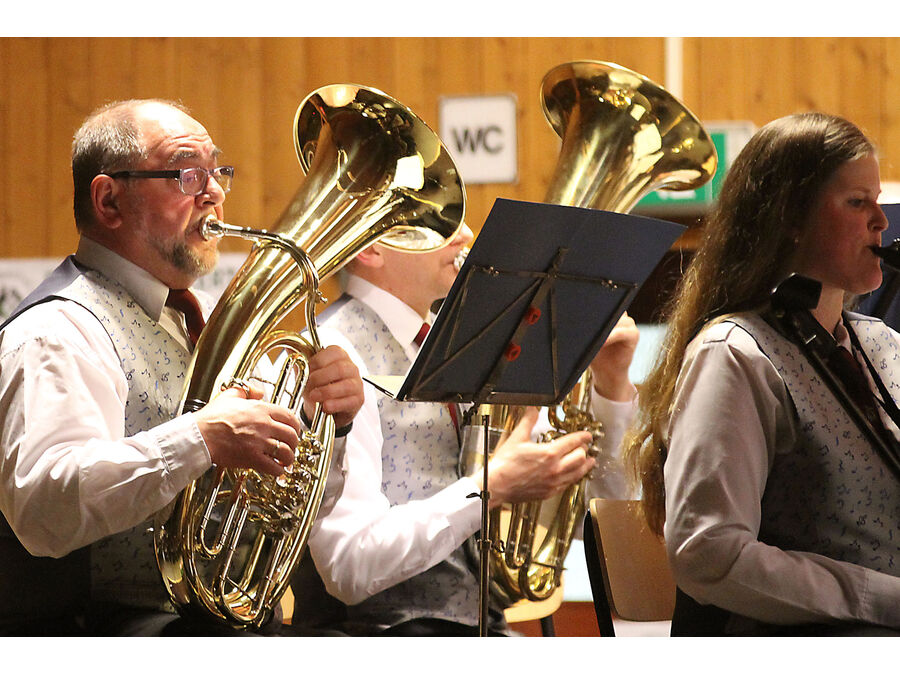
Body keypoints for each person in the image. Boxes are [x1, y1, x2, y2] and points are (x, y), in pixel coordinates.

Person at [0, 99, 364, 636]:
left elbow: (293, 513)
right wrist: (201, 438)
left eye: (217, 172)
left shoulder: (210, 320)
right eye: (187, 174)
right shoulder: (56, 331)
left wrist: (322, 423)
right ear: (109, 200)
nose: (214, 192)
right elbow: (44, 507)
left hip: (230, 628)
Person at [291, 220, 640, 636]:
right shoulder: (332, 355)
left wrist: (611, 385)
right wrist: (489, 488)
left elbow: (593, 519)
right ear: (372, 249)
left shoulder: (467, 341)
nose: (466, 235)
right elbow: (348, 566)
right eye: (437, 223)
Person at [625, 112, 900, 636]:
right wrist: (881, 600)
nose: (882, 222)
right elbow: (709, 553)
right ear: (790, 218)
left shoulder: (882, 346)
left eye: (878, 199)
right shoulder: (736, 355)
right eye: (857, 202)